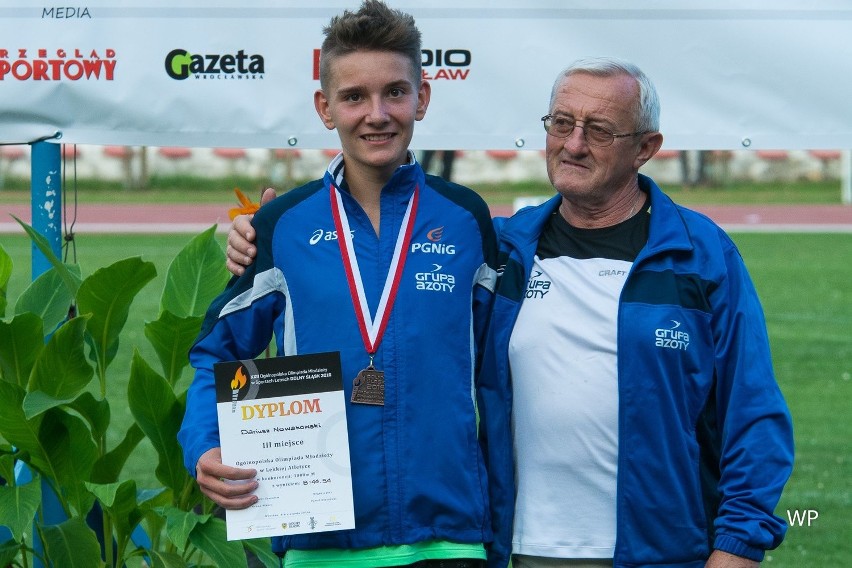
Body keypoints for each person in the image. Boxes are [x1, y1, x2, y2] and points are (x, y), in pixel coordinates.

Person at [227, 57, 794, 567]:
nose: (573, 144)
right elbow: (386, 291)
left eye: (598, 130)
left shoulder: (700, 254)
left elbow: (754, 414)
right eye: (561, 123)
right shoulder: (500, 248)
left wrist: (738, 547)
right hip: (514, 548)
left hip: (661, 551)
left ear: (645, 147)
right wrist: (271, 236)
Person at [179, 2, 513, 567]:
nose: (376, 114)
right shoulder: (284, 225)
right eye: (354, 96)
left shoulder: (465, 218)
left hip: (450, 538)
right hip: (320, 540)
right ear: (325, 108)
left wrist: (497, 535)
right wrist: (204, 443)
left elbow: (497, 383)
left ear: (422, 99)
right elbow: (217, 352)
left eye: (395, 93)